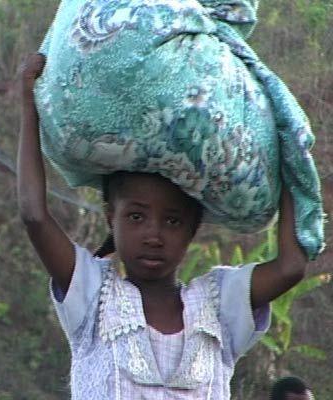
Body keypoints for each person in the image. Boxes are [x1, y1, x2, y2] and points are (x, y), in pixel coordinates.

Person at [17, 53, 310, 399]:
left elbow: (291, 266)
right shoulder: (94, 296)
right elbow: (34, 215)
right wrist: (28, 106)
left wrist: (289, 149)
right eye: (136, 217)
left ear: (193, 229)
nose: (153, 236)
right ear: (112, 216)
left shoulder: (219, 303)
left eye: (173, 221)